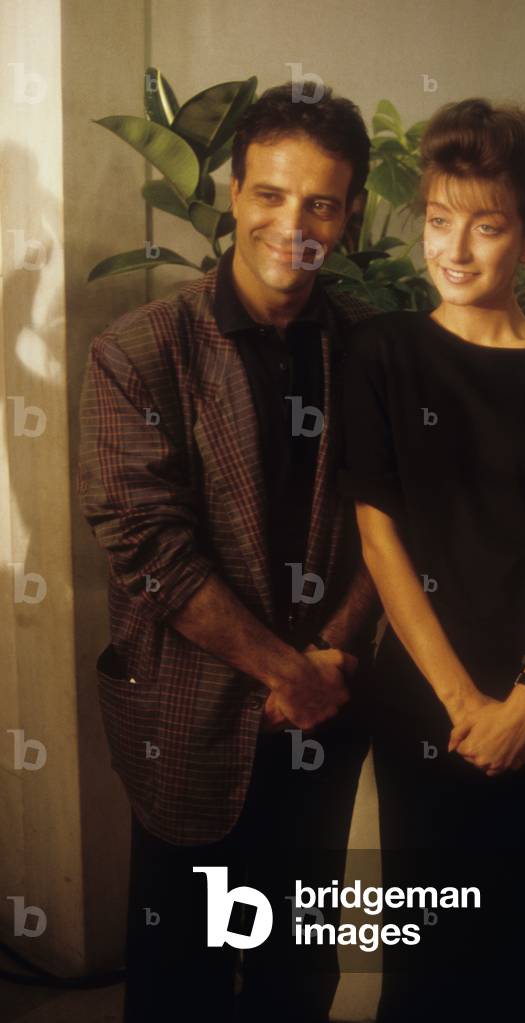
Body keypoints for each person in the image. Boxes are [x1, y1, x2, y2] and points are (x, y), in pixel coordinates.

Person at [78, 82, 380, 1022]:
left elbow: (390, 521)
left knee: (299, 975)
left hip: (322, 714)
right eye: (270, 194)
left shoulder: (370, 351)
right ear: (232, 196)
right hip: (191, 717)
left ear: (351, 213)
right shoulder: (139, 351)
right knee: (182, 980)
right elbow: (150, 552)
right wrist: (287, 669)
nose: (293, 222)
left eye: (320, 202)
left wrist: (331, 653)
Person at [339, 98, 525, 1017]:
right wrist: (466, 704)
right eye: (438, 221)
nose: (455, 249)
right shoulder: (380, 353)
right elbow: (377, 537)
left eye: (485, 224)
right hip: (431, 709)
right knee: (441, 962)